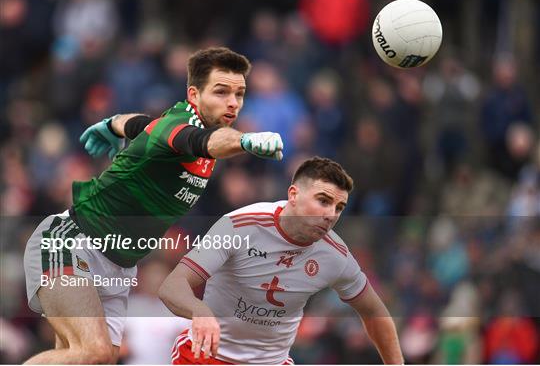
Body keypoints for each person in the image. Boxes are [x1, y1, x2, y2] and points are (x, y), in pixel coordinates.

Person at [23, 47, 284, 364]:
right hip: (72, 242)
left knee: (92, 359)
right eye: (221, 91)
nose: (233, 102)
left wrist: (112, 123)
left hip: (118, 266)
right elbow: (201, 142)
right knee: (95, 352)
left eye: (239, 94)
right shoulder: (188, 130)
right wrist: (245, 141)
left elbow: (142, 125)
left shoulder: (170, 126)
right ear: (194, 94)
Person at [159, 157, 404, 364]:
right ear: (293, 195)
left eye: (339, 207)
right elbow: (172, 286)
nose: (331, 215)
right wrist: (200, 311)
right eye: (323, 201)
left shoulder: (335, 255)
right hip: (206, 356)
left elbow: (374, 312)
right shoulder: (237, 226)